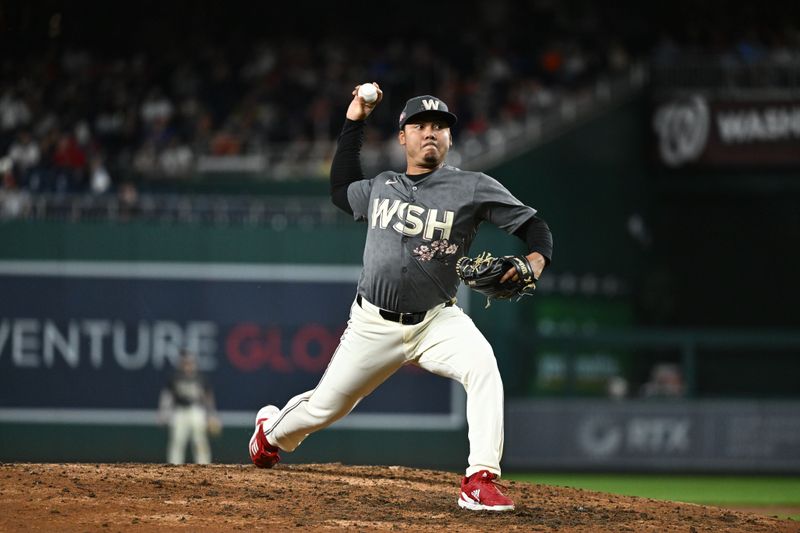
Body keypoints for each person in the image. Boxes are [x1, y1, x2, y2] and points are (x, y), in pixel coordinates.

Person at [249, 84, 553, 511]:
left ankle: (480, 478)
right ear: (403, 137)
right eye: (420, 125)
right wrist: (355, 117)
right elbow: (340, 189)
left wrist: (534, 263)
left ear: (449, 139)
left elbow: (535, 227)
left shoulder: (471, 187)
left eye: (440, 127)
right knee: (323, 409)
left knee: (483, 365)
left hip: (436, 321)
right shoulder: (381, 186)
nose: (431, 132)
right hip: (373, 324)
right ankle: (269, 433)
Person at [159, 350, 221, 464]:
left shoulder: (200, 378)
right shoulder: (175, 377)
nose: (188, 365)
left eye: (190, 362)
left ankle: (204, 466)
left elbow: (208, 398)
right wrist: (164, 412)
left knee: (200, 440)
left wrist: (212, 414)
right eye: (185, 362)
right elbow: (167, 396)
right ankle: (173, 466)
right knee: (177, 440)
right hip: (180, 411)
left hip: (196, 411)